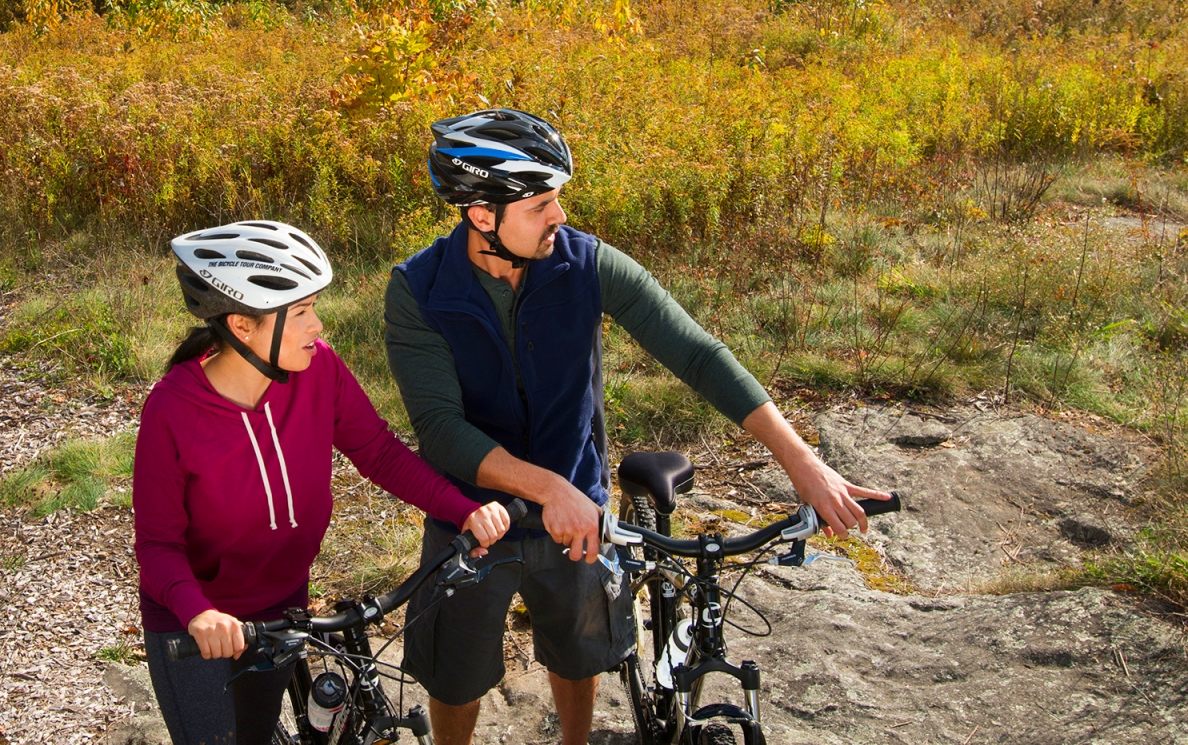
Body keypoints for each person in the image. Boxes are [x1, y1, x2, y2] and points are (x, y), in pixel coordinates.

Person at [385, 109, 892, 744]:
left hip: (578, 510)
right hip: (469, 518)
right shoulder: (418, 289)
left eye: (558, 200)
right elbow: (440, 430)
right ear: (483, 214)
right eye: (540, 205)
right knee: (454, 677)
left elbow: (698, 354)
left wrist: (803, 462)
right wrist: (549, 491)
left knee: (581, 655)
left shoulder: (586, 264)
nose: (559, 218)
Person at [133, 220, 512, 745]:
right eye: (302, 313)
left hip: (280, 605)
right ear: (242, 327)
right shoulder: (171, 411)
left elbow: (379, 453)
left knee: (257, 735)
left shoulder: (320, 371)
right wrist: (199, 613)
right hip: (192, 622)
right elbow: (157, 544)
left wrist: (461, 507)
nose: (318, 327)